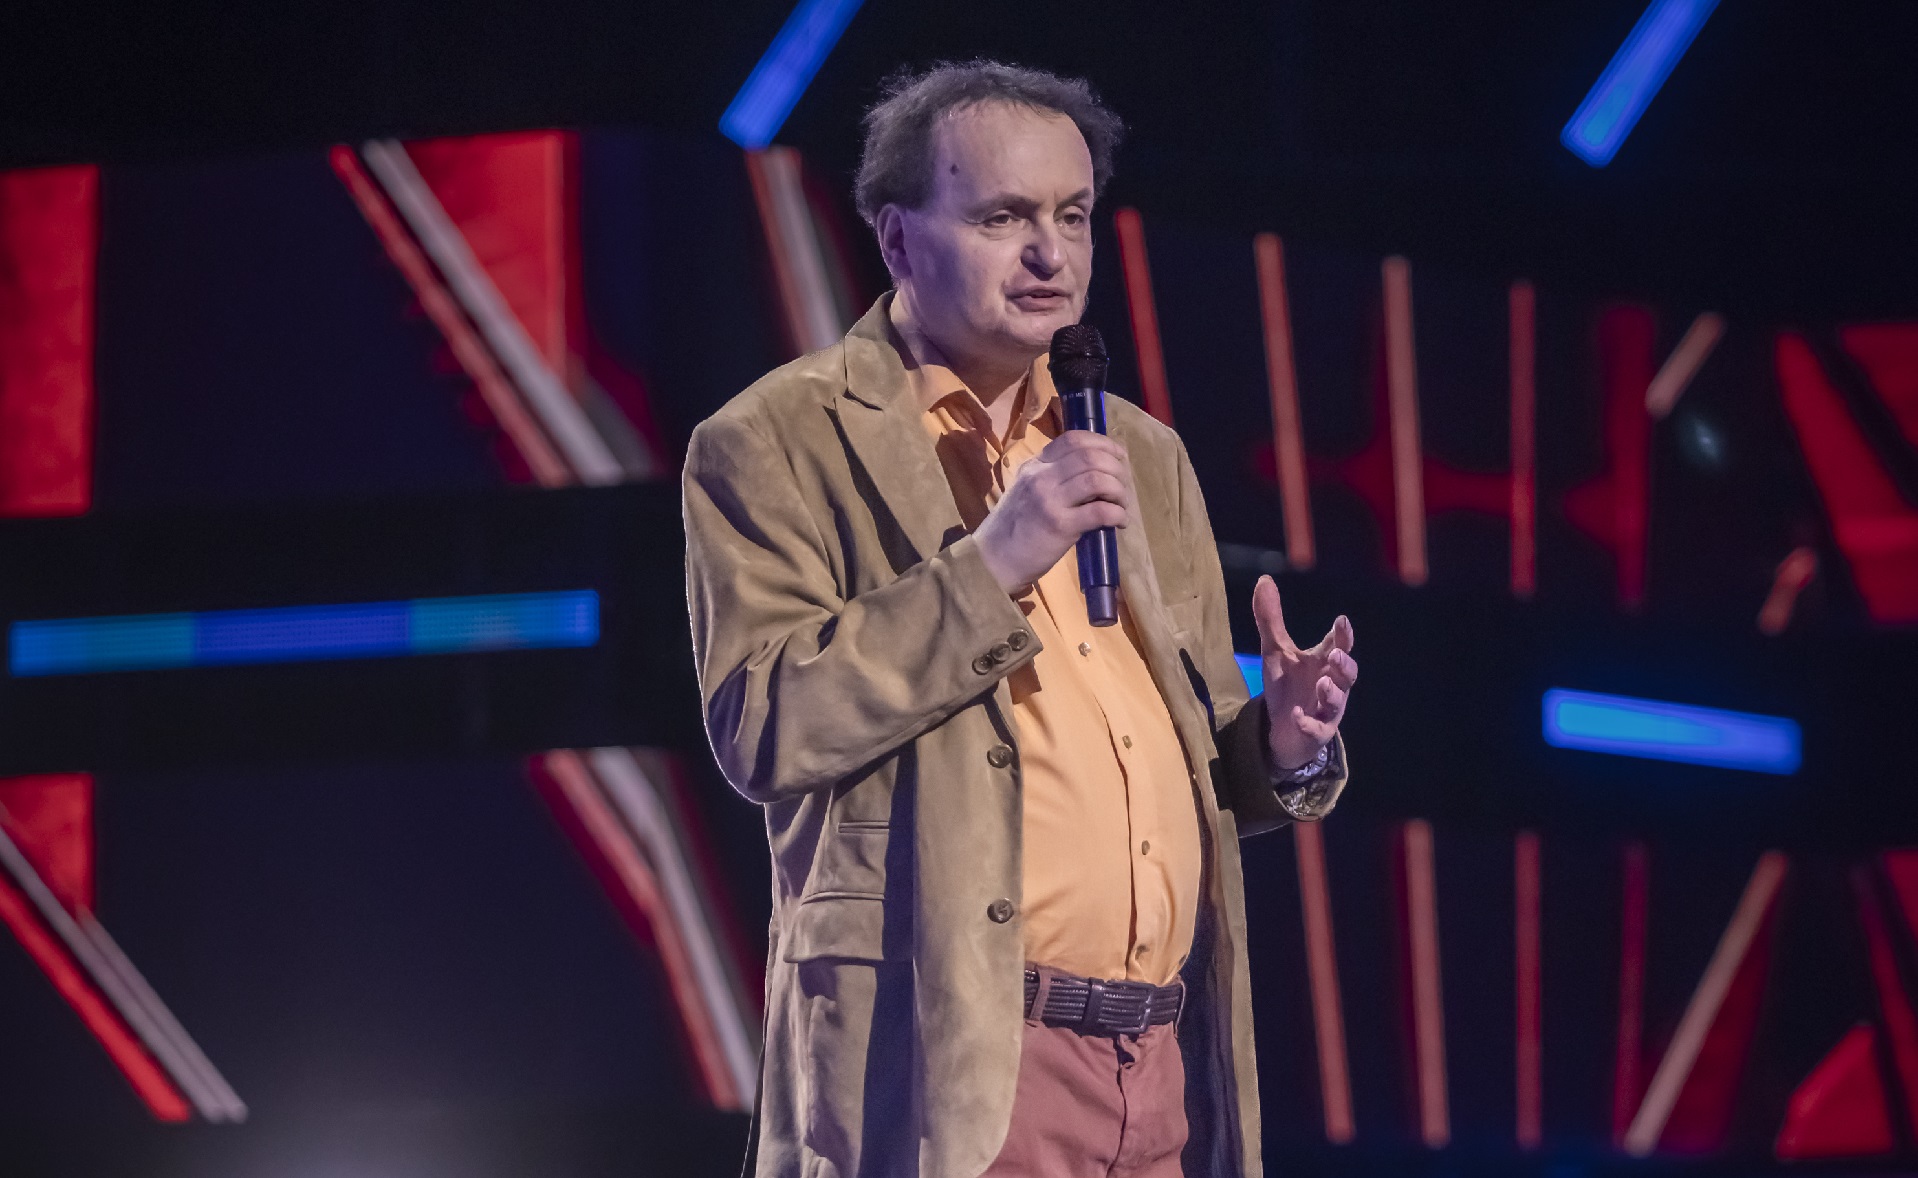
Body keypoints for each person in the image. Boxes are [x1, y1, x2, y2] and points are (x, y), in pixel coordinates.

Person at [684, 60, 1356, 1178]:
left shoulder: (1140, 451)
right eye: (1003, 217)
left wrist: (1282, 742)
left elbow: (1189, 771)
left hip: (1159, 1063)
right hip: (953, 1064)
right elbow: (767, 722)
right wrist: (990, 563)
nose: (1051, 254)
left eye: (1073, 215)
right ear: (899, 241)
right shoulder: (778, 439)